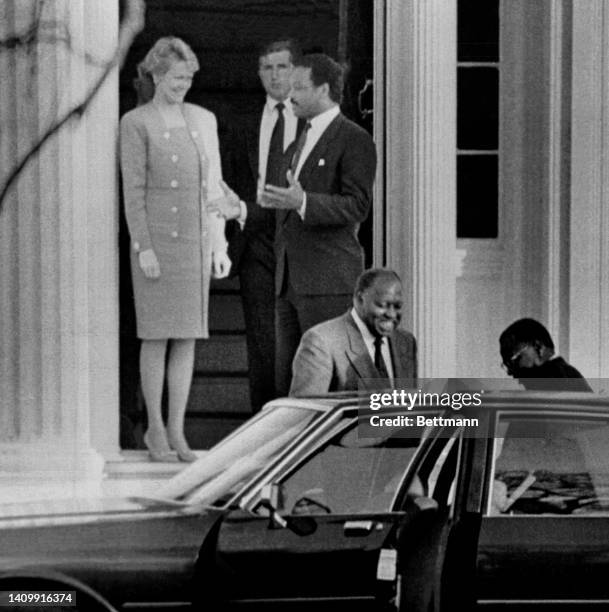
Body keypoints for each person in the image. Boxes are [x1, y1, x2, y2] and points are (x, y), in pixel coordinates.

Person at [210, 53, 377, 396]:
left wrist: (303, 201)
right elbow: (281, 209)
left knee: (332, 381)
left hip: (328, 282)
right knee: (293, 385)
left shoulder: (353, 138)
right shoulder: (300, 140)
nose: (291, 95)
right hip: (288, 284)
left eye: (300, 87)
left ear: (325, 90)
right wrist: (240, 209)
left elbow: (358, 205)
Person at [120, 37, 236, 462]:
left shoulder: (203, 119)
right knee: (155, 335)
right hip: (157, 244)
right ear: (155, 75)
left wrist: (219, 242)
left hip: (194, 242)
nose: (182, 85)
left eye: (188, 78)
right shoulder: (136, 123)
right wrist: (143, 246)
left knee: (188, 335)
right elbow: (133, 192)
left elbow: (214, 185)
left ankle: (177, 430)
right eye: (174, 78)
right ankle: (154, 428)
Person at [221, 39, 304, 412]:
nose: (274, 75)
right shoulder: (244, 123)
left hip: (299, 244)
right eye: (267, 68)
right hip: (254, 242)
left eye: (282, 67)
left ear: (295, 70)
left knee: (299, 342)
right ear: (258, 73)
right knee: (261, 343)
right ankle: (264, 427)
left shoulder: (310, 120)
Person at [289, 268, 417, 396]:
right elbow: (309, 412)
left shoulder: (406, 342)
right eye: (382, 305)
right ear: (360, 299)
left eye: (398, 306)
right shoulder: (321, 343)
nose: (391, 314)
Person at [499, 318, 592, 391]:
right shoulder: (566, 374)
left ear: (538, 348)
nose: (509, 373)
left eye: (513, 361)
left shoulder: (554, 377)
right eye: (507, 365)